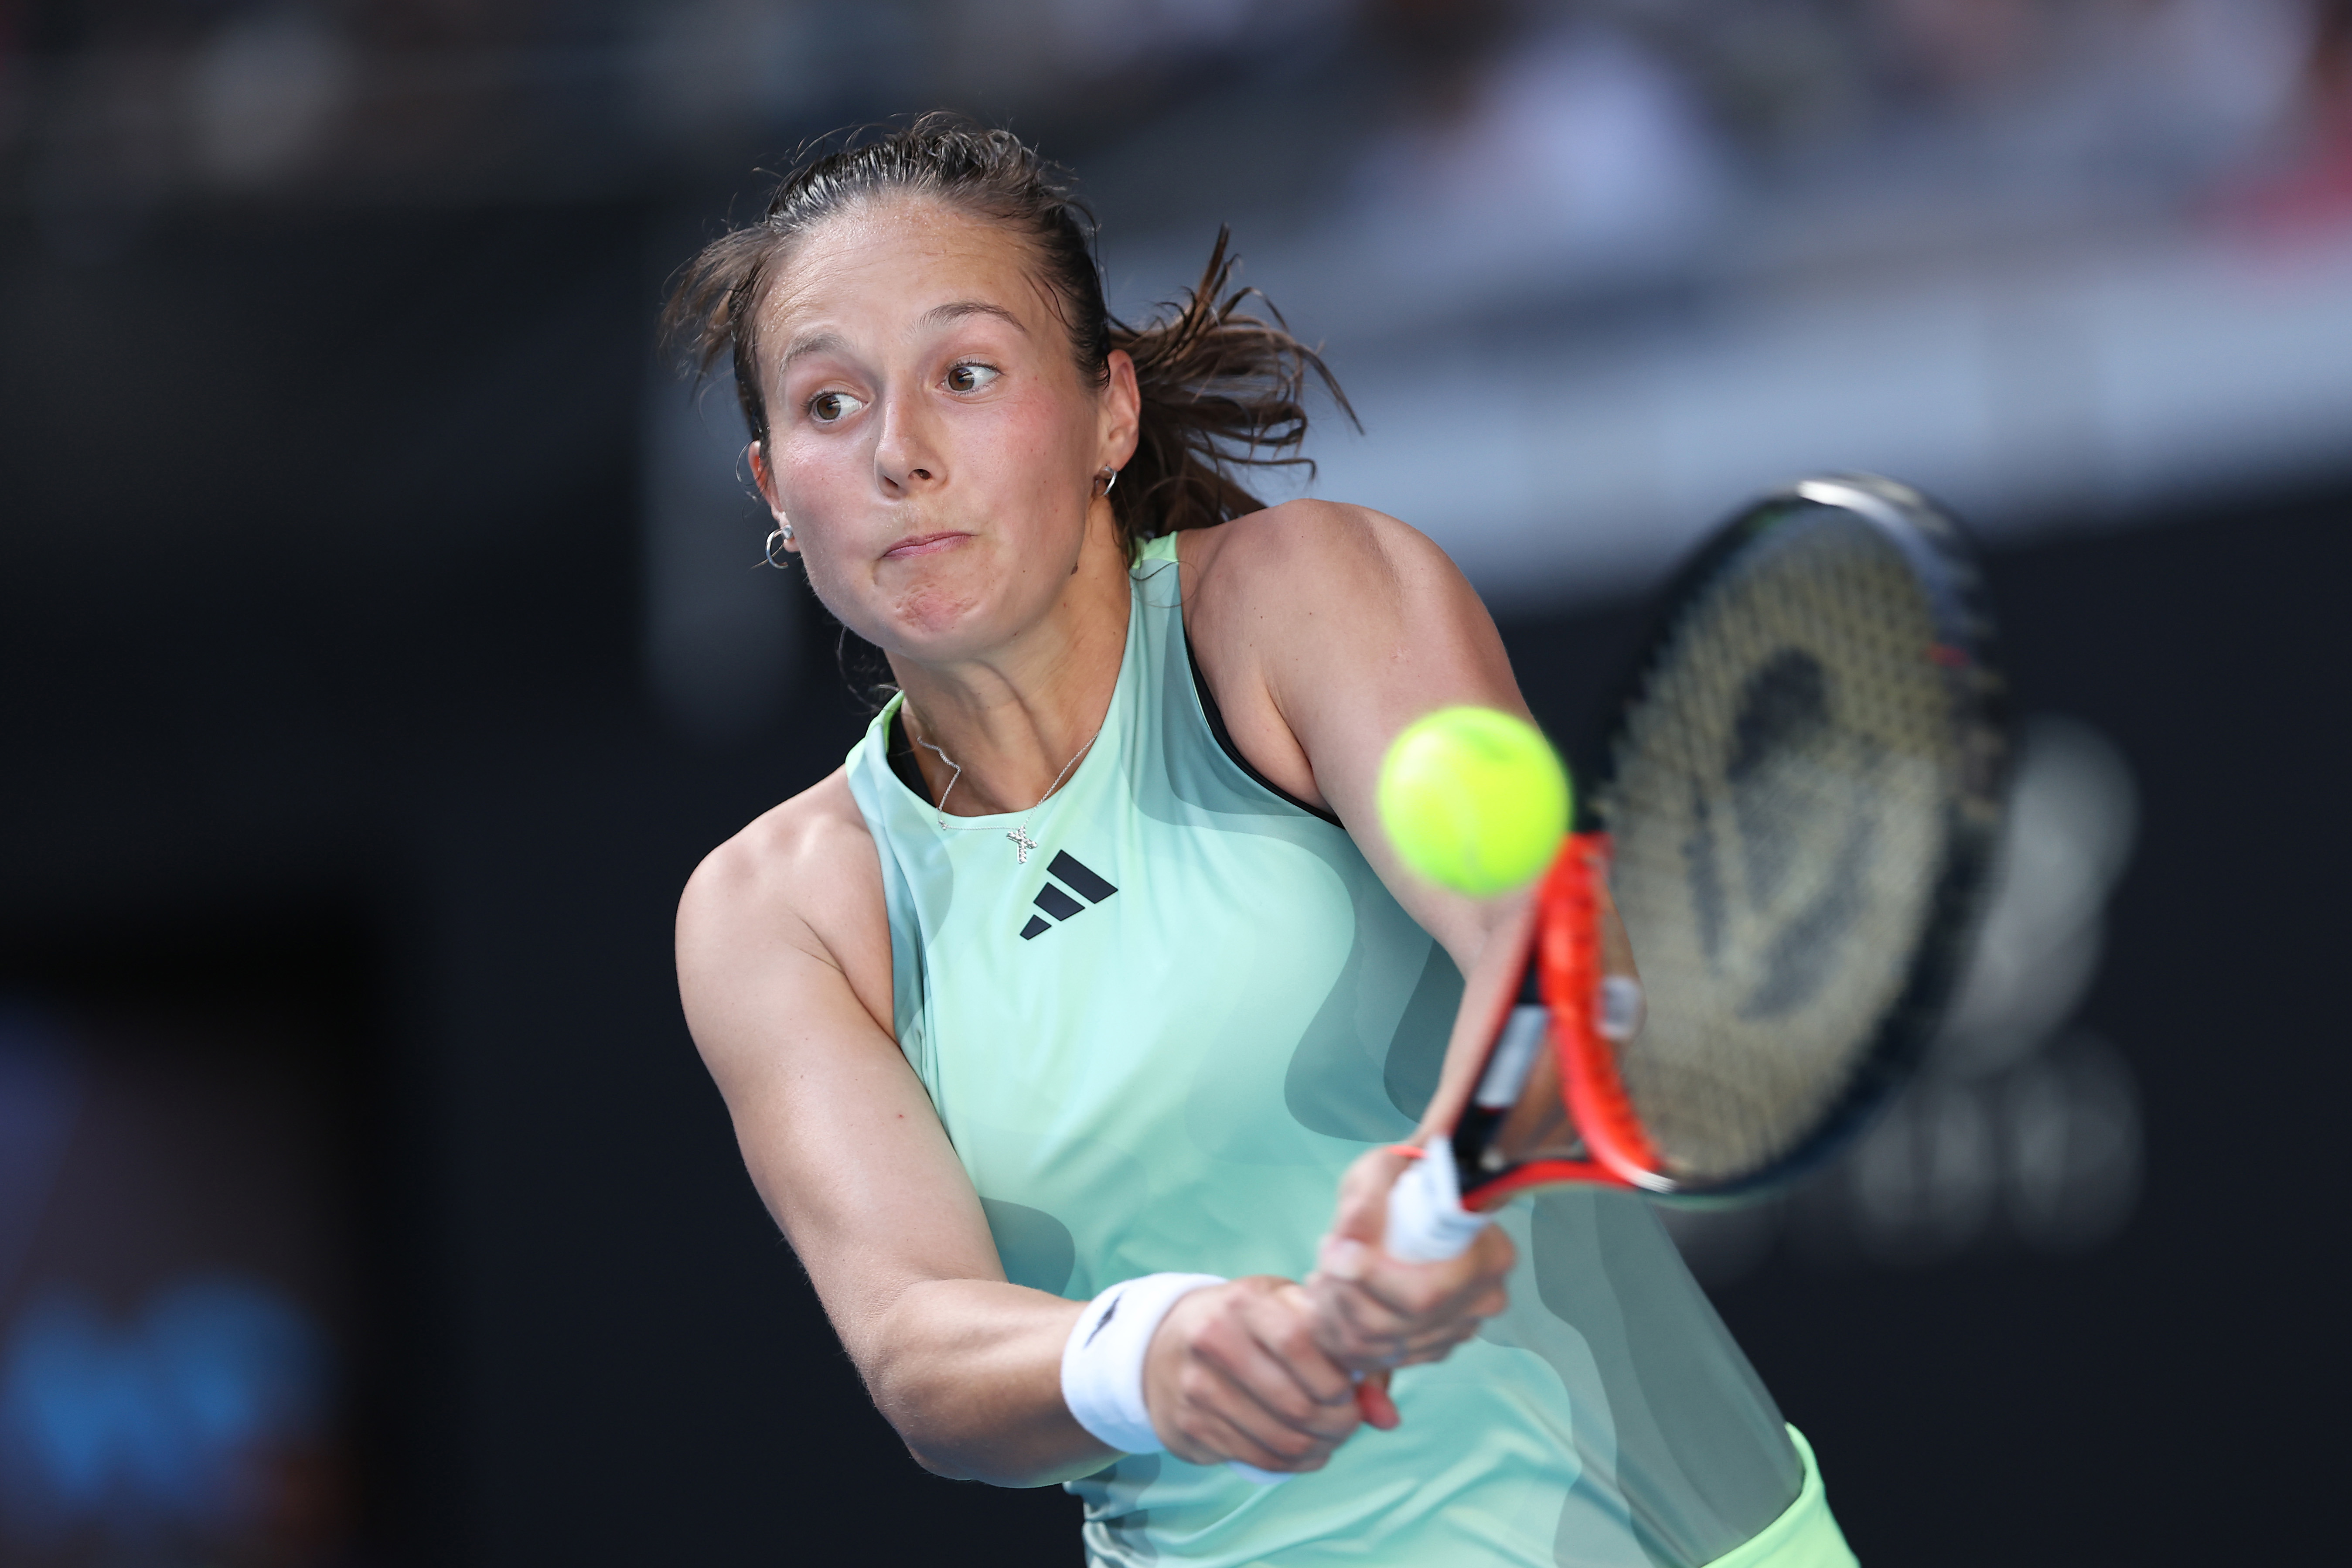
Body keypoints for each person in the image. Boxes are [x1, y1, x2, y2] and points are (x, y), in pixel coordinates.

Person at [670, 115, 1854, 1568]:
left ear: (1107, 411)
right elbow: (921, 1351)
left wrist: (1442, 1176)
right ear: (774, 489)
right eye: (832, 405)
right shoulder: (772, 911)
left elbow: (1549, 951)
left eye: (965, 376)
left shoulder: (1306, 598)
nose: (900, 454)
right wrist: (1152, 1351)